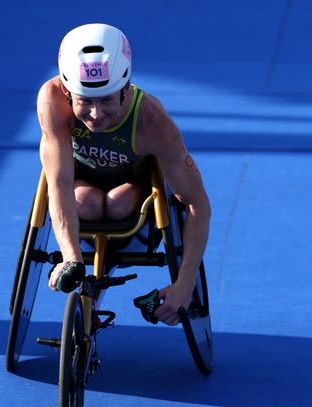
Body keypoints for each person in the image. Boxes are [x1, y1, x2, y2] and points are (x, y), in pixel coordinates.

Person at [36, 23, 211, 325]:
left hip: (133, 201)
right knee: (85, 200)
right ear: (66, 91)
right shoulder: (52, 100)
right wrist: (70, 257)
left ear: (126, 88)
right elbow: (59, 182)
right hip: (80, 190)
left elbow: (198, 205)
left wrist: (185, 285)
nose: (95, 114)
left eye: (106, 99)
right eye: (84, 101)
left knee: (118, 202)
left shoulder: (154, 123)